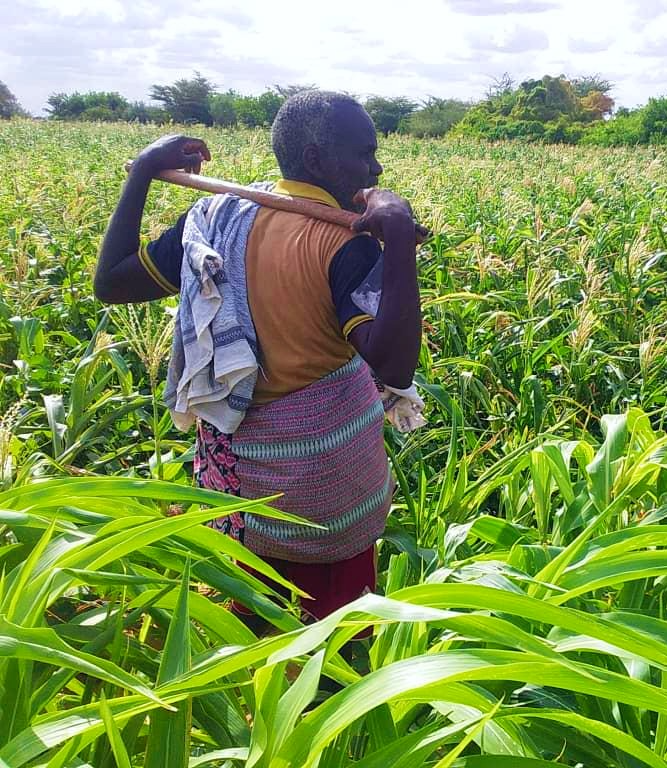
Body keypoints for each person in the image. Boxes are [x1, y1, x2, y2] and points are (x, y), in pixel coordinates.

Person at [94, 91, 422, 630]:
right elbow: (393, 367)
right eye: (364, 154)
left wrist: (143, 175)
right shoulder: (344, 242)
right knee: (329, 636)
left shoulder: (215, 217)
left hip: (240, 484)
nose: (376, 167)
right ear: (316, 159)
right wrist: (401, 236)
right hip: (323, 486)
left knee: (251, 619)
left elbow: (111, 281)